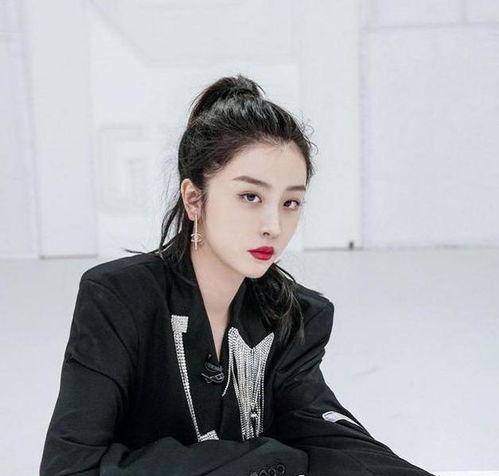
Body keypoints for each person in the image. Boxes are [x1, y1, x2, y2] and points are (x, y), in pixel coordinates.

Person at [40, 75, 435, 476]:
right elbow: (69, 468)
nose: (273, 226)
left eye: (290, 202)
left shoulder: (293, 315)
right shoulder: (119, 298)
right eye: (251, 197)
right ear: (194, 199)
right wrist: (263, 459)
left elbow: (330, 437)